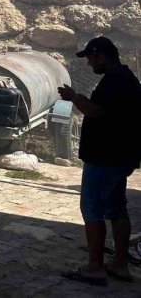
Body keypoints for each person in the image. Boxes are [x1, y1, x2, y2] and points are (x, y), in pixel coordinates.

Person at [58, 37, 141, 287]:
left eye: (91, 59)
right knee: (117, 209)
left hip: (104, 157)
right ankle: (119, 264)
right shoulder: (126, 79)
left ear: (101, 56)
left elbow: (95, 111)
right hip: (119, 156)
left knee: (92, 210)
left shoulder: (115, 81)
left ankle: (95, 267)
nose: (89, 64)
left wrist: (74, 97)